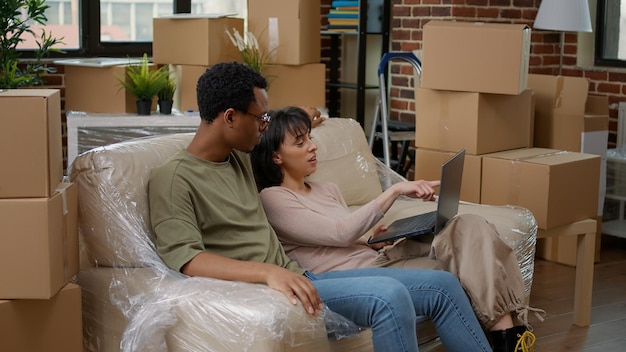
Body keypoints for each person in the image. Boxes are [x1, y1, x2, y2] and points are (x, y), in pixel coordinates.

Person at [148, 62, 494, 352]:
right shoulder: (174, 178)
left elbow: (281, 140)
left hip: (303, 276)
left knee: (443, 285)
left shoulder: (237, 157)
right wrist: (269, 272)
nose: (264, 126)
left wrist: (306, 117)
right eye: (260, 118)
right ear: (229, 117)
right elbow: (188, 259)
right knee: (389, 296)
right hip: (270, 287)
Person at [250, 106, 545, 352]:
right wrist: (395, 191)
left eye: (310, 138)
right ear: (276, 156)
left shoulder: (326, 189)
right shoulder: (274, 198)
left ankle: (509, 335)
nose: (313, 147)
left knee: (470, 226)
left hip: (379, 257)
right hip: (350, 279)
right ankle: (507, 340)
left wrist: (374, 238)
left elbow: (350, 236)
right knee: (451, 275)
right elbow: (339, 232)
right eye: (300, 143)